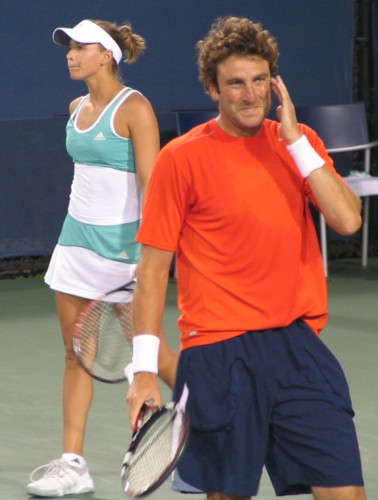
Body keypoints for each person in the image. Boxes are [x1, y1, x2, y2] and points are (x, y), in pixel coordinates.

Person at [127, 16, 366, 500]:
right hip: (218, 355)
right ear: (213, 89)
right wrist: (144, 370)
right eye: (235, 83)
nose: (250, 94)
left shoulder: (299, 147)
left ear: (274, 83)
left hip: (297, 348)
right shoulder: (180, 159)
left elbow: (347, 220)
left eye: (260, 81)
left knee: (346, 491)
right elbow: (151, 273)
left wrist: (297, 142)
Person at [26, 19, 177, 498]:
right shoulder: (75, 107)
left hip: (124, 252)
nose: (71, 55)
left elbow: (153, 186)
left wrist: (146, 256)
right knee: (76, 357)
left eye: (80, 47)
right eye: (68, 48)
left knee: (151, 355)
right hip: (75, 246)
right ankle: (74, 464)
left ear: (107, 55)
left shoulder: (135, 108)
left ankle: (216, 408)